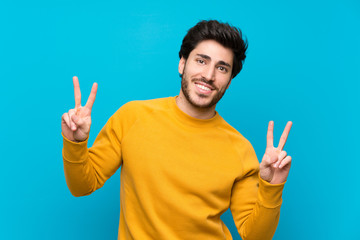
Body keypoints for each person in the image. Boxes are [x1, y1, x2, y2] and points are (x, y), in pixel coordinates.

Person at [61, 20, 293, 240]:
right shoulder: (132, 117)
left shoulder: (240, 149)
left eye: (222, 68)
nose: (209, 75)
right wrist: (75, 144)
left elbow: (255, 235)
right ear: (182, 63)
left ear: (229, 80)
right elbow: (82, 186)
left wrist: (272, 186)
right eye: (201, 61)